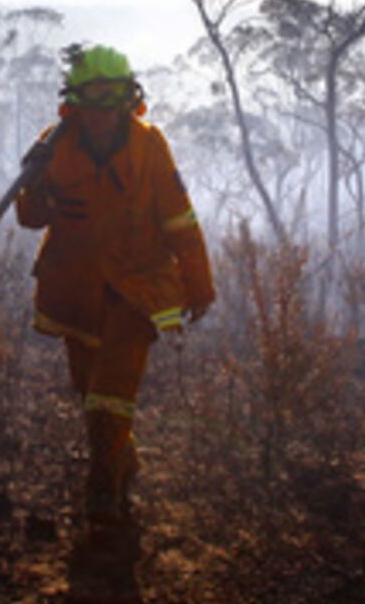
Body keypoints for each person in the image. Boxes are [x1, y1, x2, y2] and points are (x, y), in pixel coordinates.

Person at [15, 44, 215, 529]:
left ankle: (102, 487)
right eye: (92, 101)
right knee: (90, 390)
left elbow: (179, 217)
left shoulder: (150, 146)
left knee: (112, 388)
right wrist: (33, 182)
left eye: (111, 101)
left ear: (128, 100)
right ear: (75, 102)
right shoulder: (54, 146)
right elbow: (30, 217)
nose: (101, 114)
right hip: (75, 288)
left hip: (136, 288)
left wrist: (199, 282)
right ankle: (120, 457)